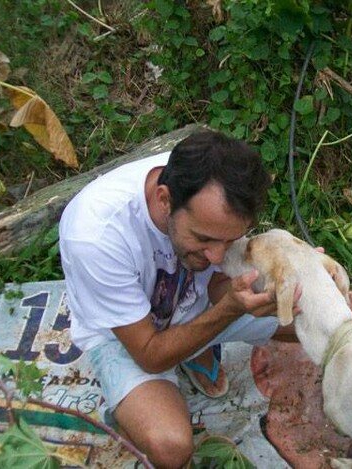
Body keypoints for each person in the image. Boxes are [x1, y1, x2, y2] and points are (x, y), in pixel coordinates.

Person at [59, 129, 301, 468]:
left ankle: (193, 345)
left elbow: (217, 279)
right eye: (203, 238)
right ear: (164, 200)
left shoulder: (217, 196)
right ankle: (157, 380)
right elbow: (150, 355)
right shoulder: (96, 236)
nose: (218, 255)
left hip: (198, 303)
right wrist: (231, 308)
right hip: (132, 336)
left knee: (334, 315)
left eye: (229, 240)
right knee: (170, 448)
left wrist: (275, 289)